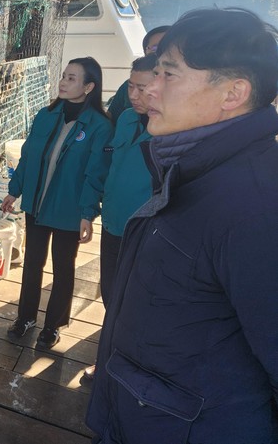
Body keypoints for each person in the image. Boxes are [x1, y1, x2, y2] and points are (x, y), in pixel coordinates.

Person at [87, 8, 278, 443]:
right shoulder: (192, 169)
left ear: (233, 93)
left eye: (169, 74)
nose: (150, 88)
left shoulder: (258, 204)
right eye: (154, 72)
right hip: (140, 415)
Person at [1, 57, 113, 349]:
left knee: (63, 268)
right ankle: (25, 317)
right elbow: (28, 156)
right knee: (32, 263)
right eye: (64, 76)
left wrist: (87, 213)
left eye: (72, 78)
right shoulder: (46, 114)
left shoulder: (100, 126)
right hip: (37, 204)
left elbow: (95, 174)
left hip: (69, 209)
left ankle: (53, 325)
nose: (63, 82)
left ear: (89, 87)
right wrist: (15, 190)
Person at [83, 53, 156, 380]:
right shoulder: (125, 119)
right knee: (111, 294)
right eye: (131, 86)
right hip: (112, 224)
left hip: (144, 231)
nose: (134, 95)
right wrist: (89, 210)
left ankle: (127, 366)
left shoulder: (169, 130)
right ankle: (107, 361)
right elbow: (105, 167)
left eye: (143, 88)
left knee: (136, 302)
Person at [107, 25, 170, 121]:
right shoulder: (126, 117)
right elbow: (112, 117)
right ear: (145, 51)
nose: (133, 96)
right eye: (156, 48)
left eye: (168, 47)